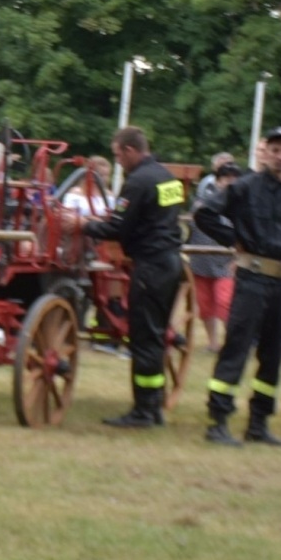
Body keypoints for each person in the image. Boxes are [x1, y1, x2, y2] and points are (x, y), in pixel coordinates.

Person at [195, 126, 281, 446]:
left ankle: (259, 423)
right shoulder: (245, 188)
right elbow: (205, 214)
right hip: (252, 278)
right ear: (265, 152)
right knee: (236, 348)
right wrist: (233, 240)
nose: (280, 156)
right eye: (275, 150)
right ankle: (218, 422)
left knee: (272, 354)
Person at [61, 126, 184, 428]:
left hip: (150, 267)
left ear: (130, 150)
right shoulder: (169, 178)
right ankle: (152, 407)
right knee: (154, 337)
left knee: (142, 338)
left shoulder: (138, 182)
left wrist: (81, 225)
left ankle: (143, 411)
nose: (117, 162)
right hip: (171, 264)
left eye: (118, 155)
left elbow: (117, 228)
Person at [187, 162, 242, 351]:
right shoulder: (202, 204)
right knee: (205, 306)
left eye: (234, 180)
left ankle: (233, 343)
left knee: (224, 302)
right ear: (218, 181)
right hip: (201, 262)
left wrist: (237, 260)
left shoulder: (243, 208)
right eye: (227, 180)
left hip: (227, 263)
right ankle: (213, 343)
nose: (230, 184)